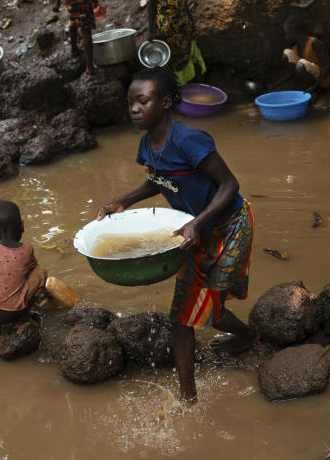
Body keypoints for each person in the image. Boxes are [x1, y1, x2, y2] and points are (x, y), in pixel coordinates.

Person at [97, 68, 258, 401]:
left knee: (207, 306)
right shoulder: (148, 145)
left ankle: (242, 341)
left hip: (230, 226)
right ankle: (191, 393)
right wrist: (123, 200)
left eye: (142, 101)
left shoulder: (188, 140)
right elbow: (158, 180)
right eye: (130, 103)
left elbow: (230, 185)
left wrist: (197, 222)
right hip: (195, 231)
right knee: (185, 314)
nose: (134, 109)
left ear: (166, 102)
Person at [267, 14, 330, 98]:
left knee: (301, 63)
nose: (286, 36)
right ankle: (305, 87)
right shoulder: (295, 48)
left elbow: (327, 66)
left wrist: (315, 86)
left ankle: (317, 91)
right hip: (311, 80)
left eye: (287, 32)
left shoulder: (313, 43)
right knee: (287, 54)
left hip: (323, 81)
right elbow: (293, 72)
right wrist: (274, 84)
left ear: (293, 30)